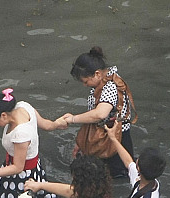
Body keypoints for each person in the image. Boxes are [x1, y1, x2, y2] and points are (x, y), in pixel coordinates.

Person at [0, 88, 61, 198]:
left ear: (3, 115)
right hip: (32, 167)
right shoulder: (24, 106)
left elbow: (18, 167)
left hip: (22, 175)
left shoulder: (20, 134)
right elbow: (46, 125)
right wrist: (58, 123)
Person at [58, 47, 136, 180]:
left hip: (115, 140)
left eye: (86, 81)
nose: (85, 85)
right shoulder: (105, 81)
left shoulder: (110, 87)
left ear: (97, 74)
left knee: (117, 177)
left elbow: (100, 114)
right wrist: (83, 142)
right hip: (104, 136)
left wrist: (73, 119)